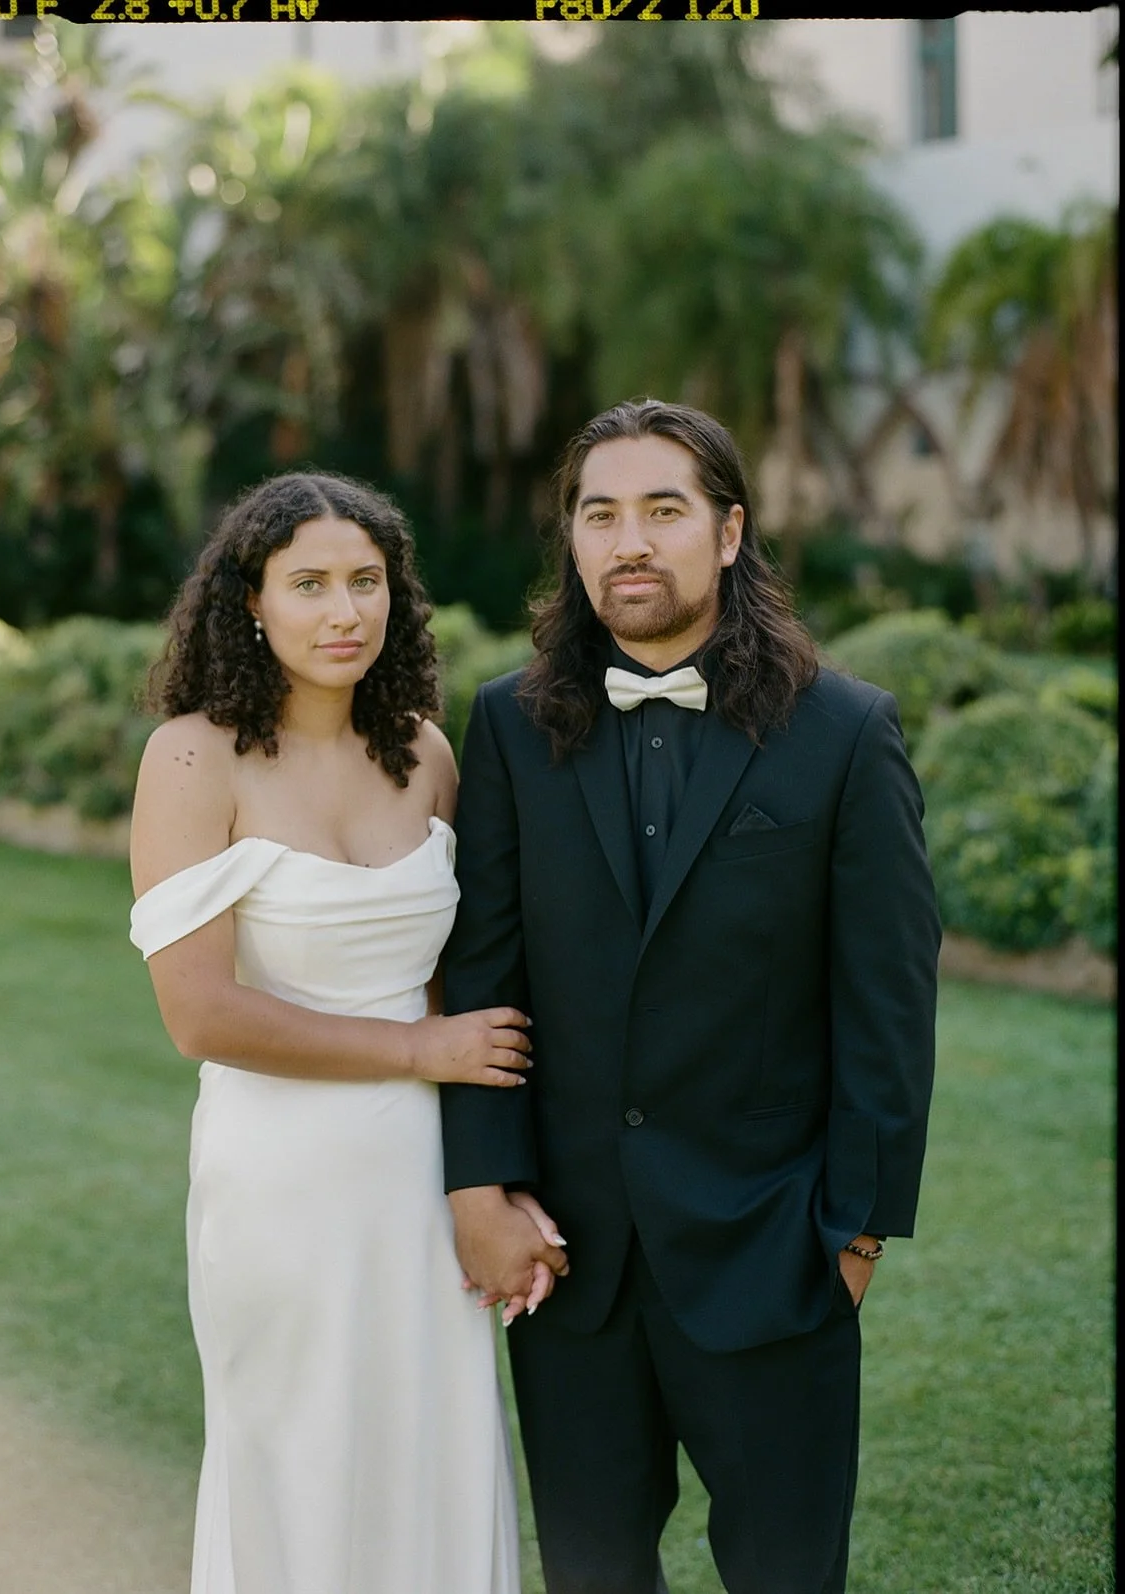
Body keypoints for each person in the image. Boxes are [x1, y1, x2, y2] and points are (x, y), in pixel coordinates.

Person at [439, 399, 941, 1594]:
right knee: (594, 1575)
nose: (629, 541)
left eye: (663, 509)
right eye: (599, 512)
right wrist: (479, 1183)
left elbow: (886, 999)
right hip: (571, 1260)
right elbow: (482, 976)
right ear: (570, 537)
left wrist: (856, 1231)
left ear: (727, 533)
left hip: (775, 1249)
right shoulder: (508, 728)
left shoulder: (844, 732)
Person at [128, 471, 556, 1594]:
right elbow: (199, 1012)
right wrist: (423, 1052)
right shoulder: (191, 755)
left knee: (436, 1447)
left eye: (365, 581)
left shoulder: (426, 754)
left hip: (422, 1175)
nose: (343, 611)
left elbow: (453, 978)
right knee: (297, 1453)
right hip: (280, 1179)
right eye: (308, 583)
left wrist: (493, 1178)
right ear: (250, 602)